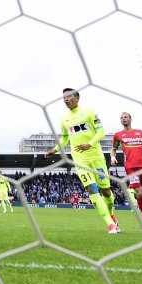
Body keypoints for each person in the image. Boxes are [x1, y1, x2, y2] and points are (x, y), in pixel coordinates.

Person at [44, 88, 119, 234]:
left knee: (106, 191)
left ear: (77, 98)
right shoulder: (64, 119)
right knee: (91, 188)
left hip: (96, 157)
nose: (65, 100)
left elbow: (101, 132)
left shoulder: (89, 112)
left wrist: (89, 144)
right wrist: (54, 150)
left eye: (68, 96)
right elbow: (65, 138)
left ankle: (111, 213)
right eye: (63, 98)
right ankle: (110, 224)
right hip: (79, 159)